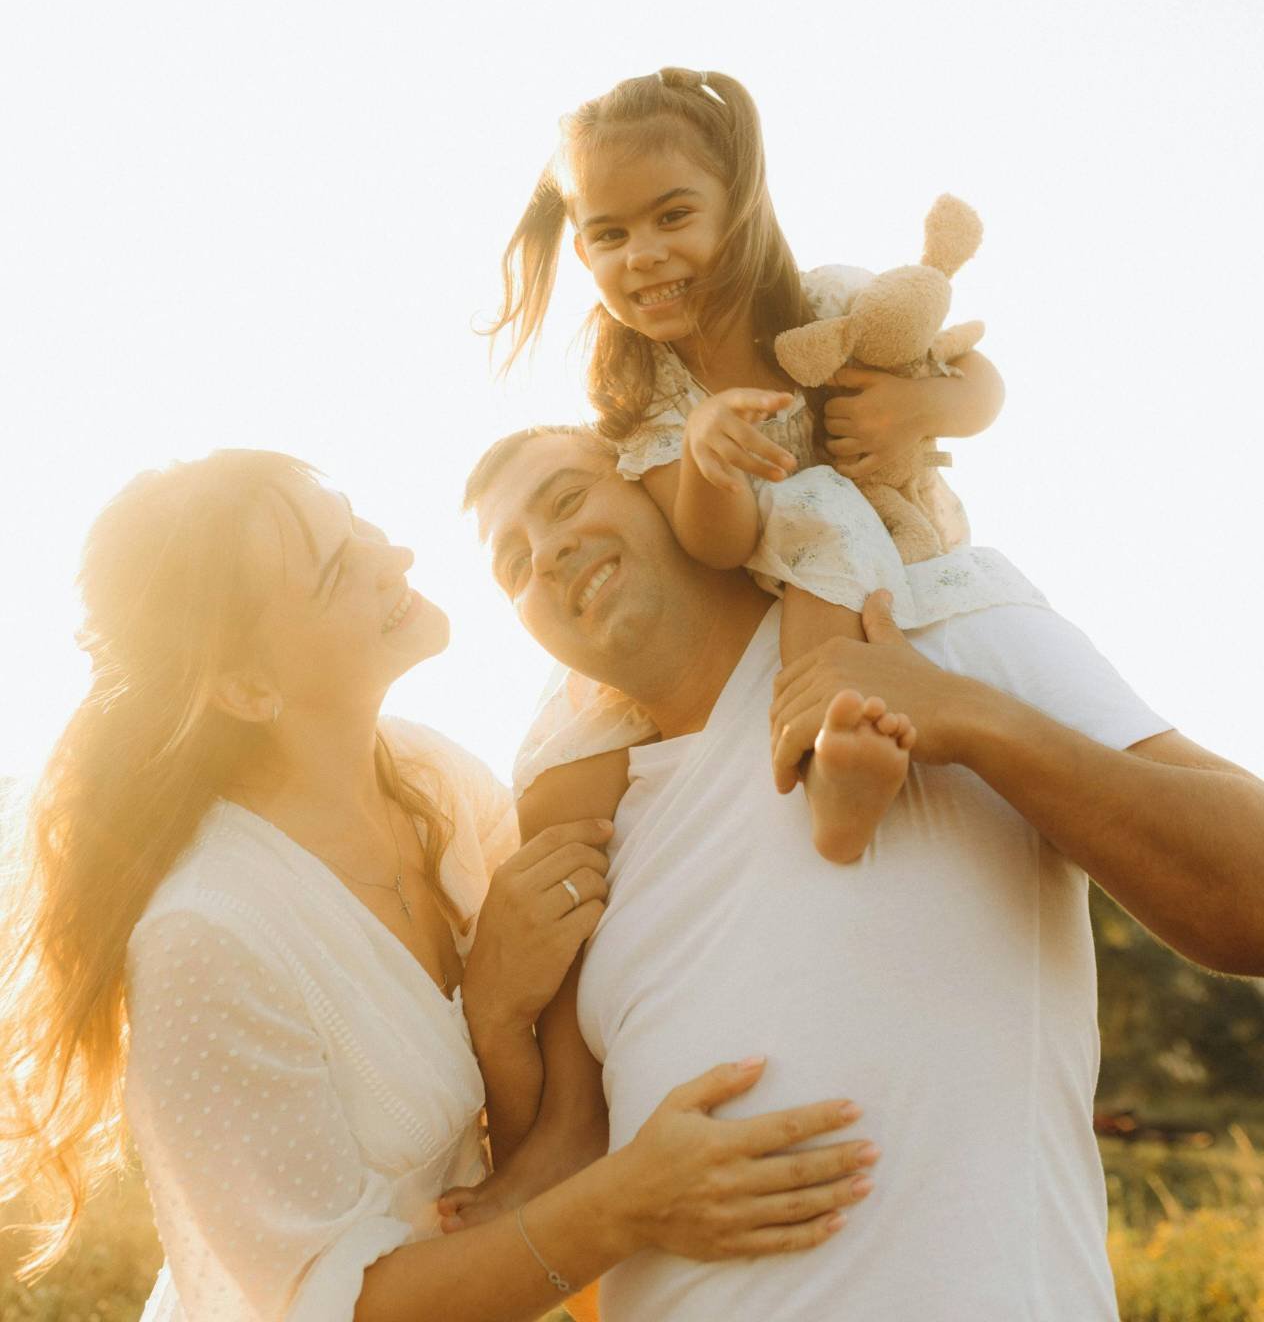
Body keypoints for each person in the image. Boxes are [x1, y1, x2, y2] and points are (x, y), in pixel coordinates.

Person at [0, 448, 878, 1322]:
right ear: (247, 686)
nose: (395, 559)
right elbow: (336, 1308)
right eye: (340, 566)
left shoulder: (433, 777)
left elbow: (513, 1152)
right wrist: (629, 1200)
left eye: (359, 527)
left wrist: (495, 1023)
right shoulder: (207, 938)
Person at [460, 422, 1264, 1321]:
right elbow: (560, 1226)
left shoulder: (927, 615)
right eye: (511, 565)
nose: (548, 550)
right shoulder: (588, 830)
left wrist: (969, 716)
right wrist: (495, 1021)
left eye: (566, 499)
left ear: (659, 483)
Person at [490, 65, 1042, 863]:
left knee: (834, 509)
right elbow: (717, 543)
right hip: (799, 581)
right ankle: (828, 772)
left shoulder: (827, 305)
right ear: (583, 252)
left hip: (918, 534)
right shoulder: (647, 397)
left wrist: (919, 412)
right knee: (816, 510)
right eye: (611, 235)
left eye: (673, 216)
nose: (643, 254)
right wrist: (709, 461)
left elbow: (976, 379)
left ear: (738, 206)